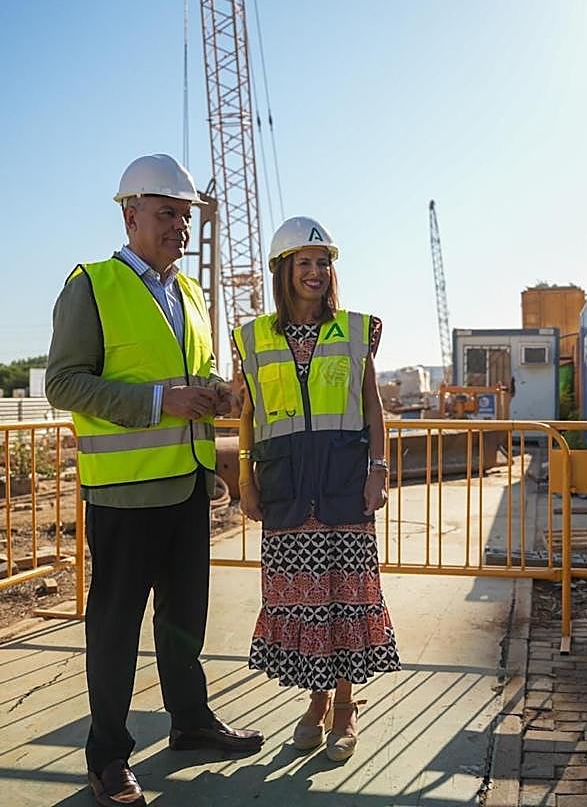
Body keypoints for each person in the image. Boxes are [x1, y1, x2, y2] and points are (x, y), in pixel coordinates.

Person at [47, 154, 263, 807]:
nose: (181, 226)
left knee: (182, 623)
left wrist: (218, 394)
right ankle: (108, 757)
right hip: (125, 493)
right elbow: (64, 383)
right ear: (130, 213)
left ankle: (190, 722)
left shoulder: (190, 295)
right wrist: (156, 403)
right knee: (115, 630)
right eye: (169, 213)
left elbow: (188, 378)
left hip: (187, 488)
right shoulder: (92, 285)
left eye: (187, 215)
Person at [234, 216, 400, 763]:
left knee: (345, 599)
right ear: (283, 271)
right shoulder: (253, 338)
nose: (315, 272)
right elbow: (249, 414)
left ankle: (347, 706)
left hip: (343, 487)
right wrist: (244, 479)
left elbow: (372, 406)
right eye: (303, 263)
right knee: (305, 603)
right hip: (285, 490)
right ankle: (316, 701)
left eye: (323, 263)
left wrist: (380, 468)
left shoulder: (355, 330)